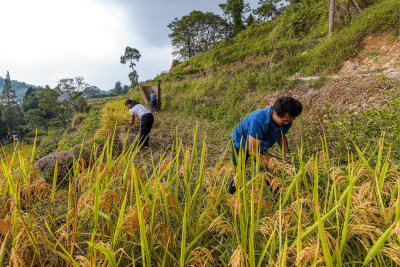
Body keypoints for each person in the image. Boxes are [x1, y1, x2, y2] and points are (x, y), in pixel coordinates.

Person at [229, 97, 303, 194]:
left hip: (260, 143)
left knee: (267, 172)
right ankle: (231, 197)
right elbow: (253, 151)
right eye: (284, 121)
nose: (287, 123)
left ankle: (275, 193)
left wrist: (287, 157)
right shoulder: (258, 120)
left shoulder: (286, 121)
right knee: (239, 173)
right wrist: (274, 164)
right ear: (275, 112)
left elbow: (281, 135)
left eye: (289, 121)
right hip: (241, 143)